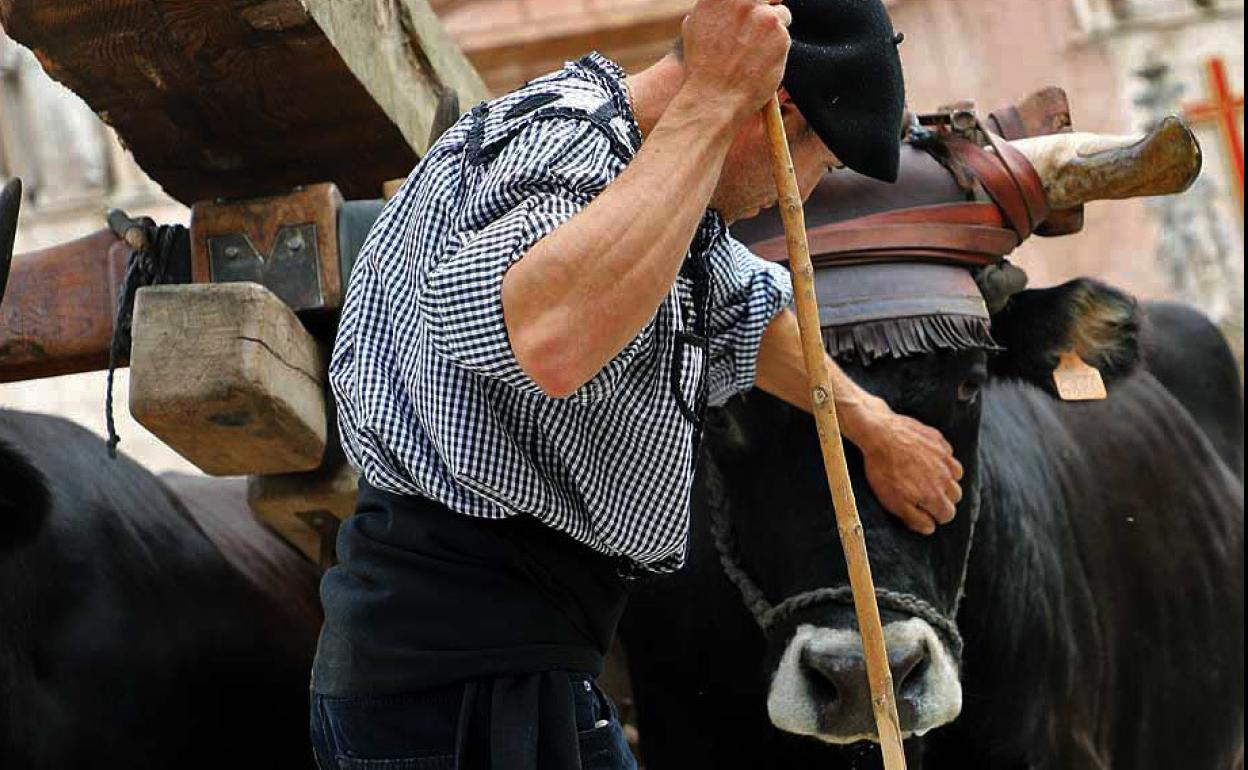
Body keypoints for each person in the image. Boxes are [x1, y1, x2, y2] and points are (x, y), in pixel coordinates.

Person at [310, 0, 963, 767]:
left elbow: (750, 318)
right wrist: (717, 97)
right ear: (780, 114)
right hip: (456, 687)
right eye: (822, 162)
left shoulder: (648, 186)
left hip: (505, 670)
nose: (810, 190)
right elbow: (550, 340)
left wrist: (873, 424)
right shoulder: (570, 142)